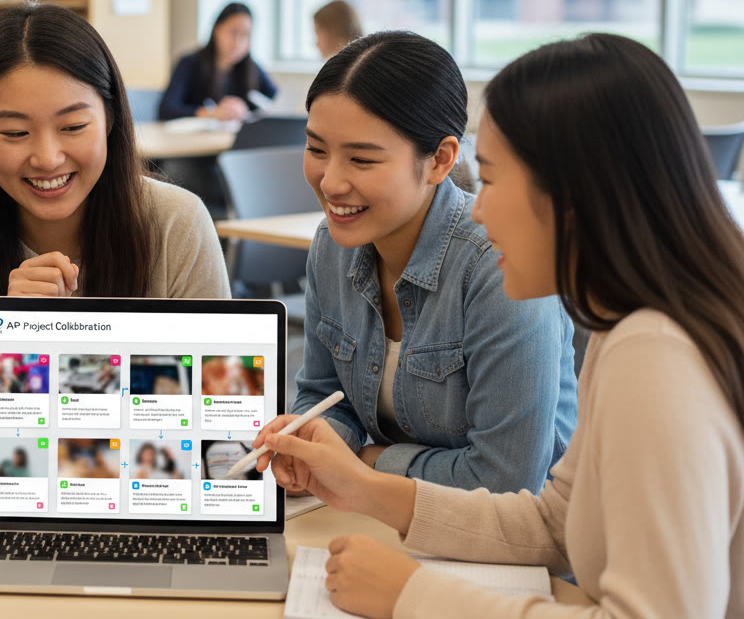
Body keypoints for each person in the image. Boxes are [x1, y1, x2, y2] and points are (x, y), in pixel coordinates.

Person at [255, 33, 744, 618]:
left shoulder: (657, 357)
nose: (477, 208)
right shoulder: (626, 329)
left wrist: (411, 594)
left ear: (574, 196)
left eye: (488, 179)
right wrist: (363, 487)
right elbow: (553, 520)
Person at [0, 2, 230, 469]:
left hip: (148, 501)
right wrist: (6, 348)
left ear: (110, 119)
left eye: (73, 126)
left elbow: (224, 430)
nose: (48, 158)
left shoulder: (178, 222)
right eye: (14, 132)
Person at [292, 30, 577, 494]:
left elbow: (508, 480)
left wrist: (371, 465)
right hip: (393, 520)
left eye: (361, 160)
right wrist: (310, 448)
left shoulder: (495, 265)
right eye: (317, 149)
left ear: (440, 160)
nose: (330, 182)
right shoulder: (331, 245)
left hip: (513, 548)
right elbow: (327, 402)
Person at [157, 1, 278, 121]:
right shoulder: (189, 63)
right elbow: (166, 110)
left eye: (245, 35)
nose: (238, 42)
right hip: (197, 138)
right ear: (216, 29)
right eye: (233, 32)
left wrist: (244, 111)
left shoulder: (251, 67)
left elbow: (276, 101)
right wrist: (212, 113)